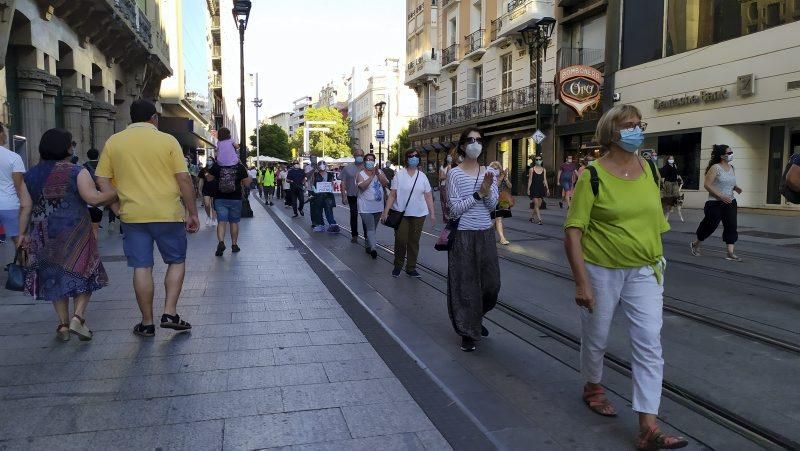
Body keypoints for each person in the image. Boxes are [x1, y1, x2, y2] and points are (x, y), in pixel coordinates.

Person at [564, 104, 688, 450]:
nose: (637, 130)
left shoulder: (649, 168)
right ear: (611, 134)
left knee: (650, 343)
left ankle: (648, 426)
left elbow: (653, 217)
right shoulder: (592, 176)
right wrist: (581, 282)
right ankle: (592, 385)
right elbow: (573, 232)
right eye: (629, 125)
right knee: (598, 335)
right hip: (602, 268)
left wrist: (654, 256)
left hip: (646, 269)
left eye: (639, 124)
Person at [95, 99, 200, 338]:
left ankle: (147, 322)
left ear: (132, 118)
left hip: (132, 215)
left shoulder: (114, 142)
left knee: (142, 266)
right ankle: (170, 312)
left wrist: (115, 206)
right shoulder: (167, 140)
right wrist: (192, 211)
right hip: (167, 214)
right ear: (154, 117)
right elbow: (184, 179)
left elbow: (102, 179)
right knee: (176, 261)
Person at [19, 129, 117, 342]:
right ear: (65, 148)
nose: (72, 148)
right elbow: (93, 198)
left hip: (43, 235)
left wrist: (22, 235)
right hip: (76, 232)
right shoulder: (76, 171)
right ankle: (78, 318)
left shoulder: (30, 175)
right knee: (85, 272)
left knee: (55, 278)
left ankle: (63, 325)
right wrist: (115, 192)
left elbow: (25, 206)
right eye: (70, 144)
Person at [446, 128, 499, 352]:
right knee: (466, 286)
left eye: (478, 140)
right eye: (470, 140)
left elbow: (493, 206)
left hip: (485, 233)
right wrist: (478, 194)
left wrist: (487, 191)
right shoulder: (454, 174)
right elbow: (454, 210)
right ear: (462, 146)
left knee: (491, 286)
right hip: (464, 235)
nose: (475, 144)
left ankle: (475, 317)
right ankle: (467, 331)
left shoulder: (489, 172)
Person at [381, 149, 435, 278]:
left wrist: (432, 213)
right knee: (400, 240)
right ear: (406, 159)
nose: (414, 158)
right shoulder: (399, 175)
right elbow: (393, 195)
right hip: (401, 213)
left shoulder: (422, 176)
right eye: (411, 156)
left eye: (416, 156)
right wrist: (386, 212)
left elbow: (428, 196)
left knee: (414, 241)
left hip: (419, 213)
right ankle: (398, 265)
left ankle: (411, 267)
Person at [690, 144, 743, 261]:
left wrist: (736, 188)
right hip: (715, 203)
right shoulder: (715, 168)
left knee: (731, 226)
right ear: (722, 156)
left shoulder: (732, 168)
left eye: (731, 152)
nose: (731, 155)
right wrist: (720, 196)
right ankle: (696, 244)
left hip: (730, 201)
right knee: (710, 225)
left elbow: (729, 183)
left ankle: (730, 252)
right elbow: (707, 185)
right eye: (729, 153)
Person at [208, 157, 251, 256]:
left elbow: (209, 178)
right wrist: (243, 168)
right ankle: (234, 245)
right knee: (234, 222)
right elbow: (247, 183)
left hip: (220, 198)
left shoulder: (217, 165)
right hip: (235, 199)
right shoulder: (239, 167)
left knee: (221, 222)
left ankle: (221, 242)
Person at [0, 122, 27, 247]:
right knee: (19, 241)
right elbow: (19, 187)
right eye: (5, 132)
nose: (6, 136)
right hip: (10, 205)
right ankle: (23, 266)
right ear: (0, 134)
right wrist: (24, 206)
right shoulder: (14, 157)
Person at [357, 153, 389, 259]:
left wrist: (378, 174)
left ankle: (368, 244)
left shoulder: (380, 172)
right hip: (365, 206)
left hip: (378, 206)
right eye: (368, 160)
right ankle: (373, 249)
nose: (370, 161)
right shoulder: (360, 174)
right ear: (365, 162)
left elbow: (385, 183)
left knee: (373, 228)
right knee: (370, 228)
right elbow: (362, 187)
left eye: (372, 159)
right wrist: (372, 176)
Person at [340, 149, 366, 243]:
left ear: (363, 156)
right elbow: (343, 182)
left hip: (365, 196)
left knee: (365, 216)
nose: (359, 156)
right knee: (354, 215)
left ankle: (367, 237)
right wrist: (344, 196)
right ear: (354, 156)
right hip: (352, 195)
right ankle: (354, 235)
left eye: (361, 155)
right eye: (357, 155)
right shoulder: (347, 168)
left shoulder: (367, 167)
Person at [309, 160, 339, 233]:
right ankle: (320, 225)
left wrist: (330, 188)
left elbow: (332, 184)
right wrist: (314, 190)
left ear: (326, 166)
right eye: (320, 165)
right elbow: (312, 183)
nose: (322, 166)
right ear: (318, 166)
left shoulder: (330, 175)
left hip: (328, 196)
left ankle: (332, 225)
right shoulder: (315, 174)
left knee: (329, 211)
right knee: (318, 211)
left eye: (323, 164)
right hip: (318, 195)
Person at [83, 148, 104, 239]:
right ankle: (94, 247)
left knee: (88, 227)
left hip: (87, 196)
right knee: (95, 227)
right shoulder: (103, 166)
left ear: (88, 156)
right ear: (98, 155)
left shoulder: (83, 167)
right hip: (100, 196)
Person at [489, 161, 512, 245]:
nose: (496, 170)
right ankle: (499, 237)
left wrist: (505, 179)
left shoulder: (502, 176)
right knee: (495, 219)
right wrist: (501, 177)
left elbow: (510, 186)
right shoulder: (489, 176)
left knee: (499, 218)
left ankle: (498, 236)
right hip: (492, 199)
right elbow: (496, 185)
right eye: (494, 168)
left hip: (503, 199)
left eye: (497, 168)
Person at [659, 155, 684, 221]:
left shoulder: (675, 166)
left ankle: (671, 206)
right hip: (668, 183)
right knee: (669, 196)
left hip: (675, 182)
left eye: (672, 158)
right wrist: (662, 183)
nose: (671, 159)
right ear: (667, 160)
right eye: (670, 158)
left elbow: (677, 174)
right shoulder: (666, 167)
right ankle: (668, 208)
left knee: (677, 194)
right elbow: (663, 176)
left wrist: (681, 179)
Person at [527, 155, 549, 225]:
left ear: (541, 161)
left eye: (539, 159)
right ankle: (540, 219)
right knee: (536, 204)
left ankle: (532, 217)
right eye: (536, 159)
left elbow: (545, 179)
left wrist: (548, 189)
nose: (538, 161)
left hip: (541, 188)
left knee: (538, 205)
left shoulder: (544, 170)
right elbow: (530, 179)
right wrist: (528, 189)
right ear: (535, 161)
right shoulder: (531, 169)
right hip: (533, 188)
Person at [198, 160, 218, 227]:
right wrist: (199, 189)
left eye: (210, 160)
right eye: (208, 160)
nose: (209, 161)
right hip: (206, 189)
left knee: (213, 205)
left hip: (215, 189)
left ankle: (214, 219)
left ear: (213, 161)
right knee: (206, 204)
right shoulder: (204, 170)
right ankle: (208, 216)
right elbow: (201, 180)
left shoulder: (216, 169)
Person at [439, 154, 454, 223]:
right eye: (448, 156)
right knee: (443, 202)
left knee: (448, 202)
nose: (449, 158)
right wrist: (447, 174)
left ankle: (449, 217)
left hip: (449, 186)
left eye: (450, 156)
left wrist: (446, 175)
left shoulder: (453, 167)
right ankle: (445, 218)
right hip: (443, 186)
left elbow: (449, 177)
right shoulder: (443, 167)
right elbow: (440, 177)